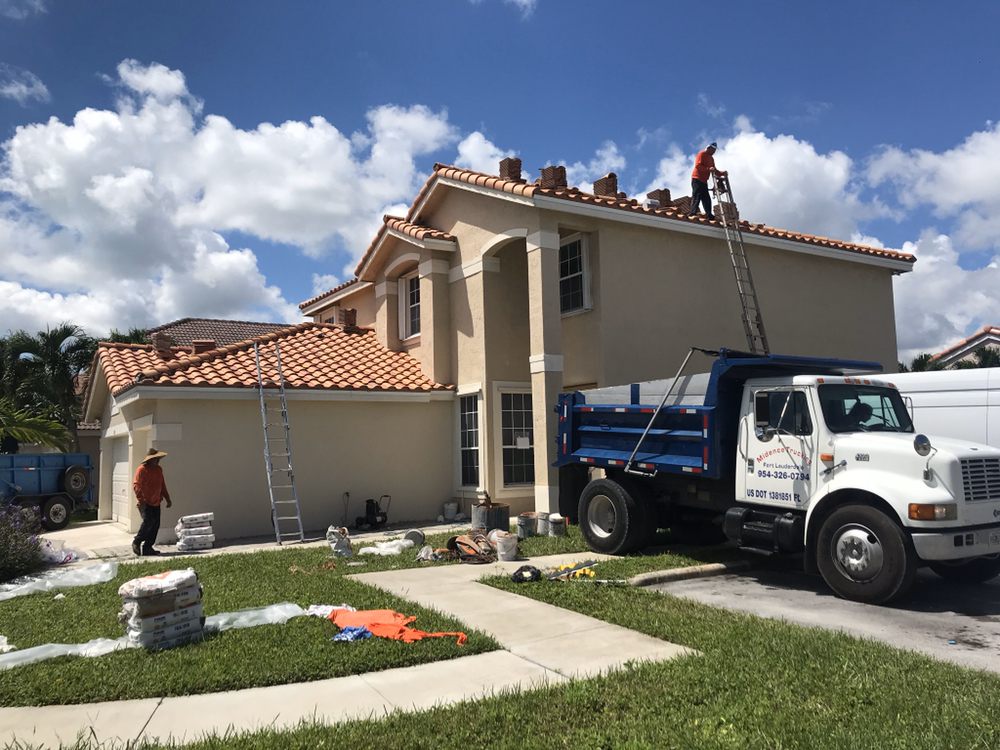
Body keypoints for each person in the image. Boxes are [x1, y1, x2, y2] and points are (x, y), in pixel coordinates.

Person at [132, 448, 172, 556]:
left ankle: (148, 547)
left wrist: (167, 498)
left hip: (156, 501)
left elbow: (162, 485)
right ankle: (137, 541)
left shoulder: (158, 469)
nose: (157, 461)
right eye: (155, 459)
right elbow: (136, 486)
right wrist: (141, 500)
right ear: (150, 460)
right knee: (148, 522)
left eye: (158, 459)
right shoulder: (142, 470)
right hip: (145, 502)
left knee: (155, 525)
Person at [688, 142, 727, 220]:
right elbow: (698, 166)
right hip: (697, 178)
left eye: (715, 150)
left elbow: (714, 170)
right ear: (709, 148)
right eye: (713, 150)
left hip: (704, 181)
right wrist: (708, 169)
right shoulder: (701, 154)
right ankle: (693, 212)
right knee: (697, 195)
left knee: (706, 198)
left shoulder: (711, 159)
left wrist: (722, 173)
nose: (714, 152)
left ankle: (709, 214)